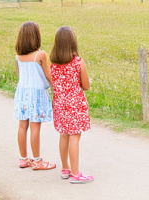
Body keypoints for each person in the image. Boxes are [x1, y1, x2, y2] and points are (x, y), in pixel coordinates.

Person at [50, 26, 93, 184]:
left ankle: (65, 168)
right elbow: (86, 85)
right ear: (73, 42)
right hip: (75, 104)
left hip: (60, 104)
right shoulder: (78, 62)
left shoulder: (53, 65)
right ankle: (76, 173)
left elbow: (53, 83)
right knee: (75, 136)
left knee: (64, 134)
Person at [13, 21, 55, 171]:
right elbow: (49, 75)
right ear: (36, 36)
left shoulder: (18, 56)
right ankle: (38, 161)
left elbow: (20, 75)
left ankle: (23, 159)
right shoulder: (40, 54)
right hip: (36, 94)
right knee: (35, 126)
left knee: (22, 126)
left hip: (22, 92)